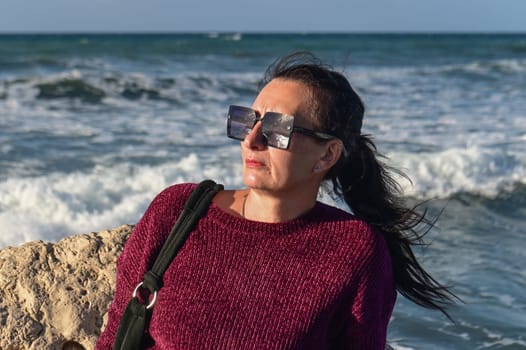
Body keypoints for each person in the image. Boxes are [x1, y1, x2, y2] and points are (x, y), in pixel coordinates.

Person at [96, 52, 455, 349]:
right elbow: (116, 335)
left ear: (327, 155)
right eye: (246, 121)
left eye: (276, 129)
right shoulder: (178, 211)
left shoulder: (354, 251)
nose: (251, 140)